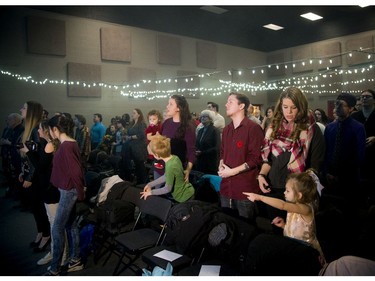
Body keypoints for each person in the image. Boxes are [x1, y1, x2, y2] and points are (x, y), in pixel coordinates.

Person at [257, 87, 325, 232]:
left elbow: (315, 166)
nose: (289, 112)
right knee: (276, 230)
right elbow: (268, 159)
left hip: (296, 193)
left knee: (294, 234)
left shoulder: (312, 129)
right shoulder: (273, 126)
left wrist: (301, 191)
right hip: (273, 187)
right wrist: (262, 175)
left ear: (301, 107)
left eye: (294, 108)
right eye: (285, 107)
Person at [244, 170, 325, 264]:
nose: (284, 193)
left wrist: (260, 198)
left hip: (307, 250)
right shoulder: (294, 205)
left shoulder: (306, 209)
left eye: (287, 191)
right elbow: (297, 228)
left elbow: (282, 205)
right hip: (293, 247)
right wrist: (284, 226)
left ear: (299, 195)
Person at [44, 115, 85, 276]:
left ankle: (55, 269)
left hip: (69, 191)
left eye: (50, 130)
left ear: (55, 129)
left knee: (57, 228)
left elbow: (76, 172)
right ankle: (75, 259)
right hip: (68, 190)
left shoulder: (67, 146)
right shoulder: (70, 143)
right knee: (71, 225)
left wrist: (80, 193)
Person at [218, 92, 264, 220]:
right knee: (227, 225)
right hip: (226, 187)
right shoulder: (227, 129)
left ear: (241, 106)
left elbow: (256, 159)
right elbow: (222, 152)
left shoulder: (253, 128)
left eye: (230, 102)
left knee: (246, 228)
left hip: (244, 189)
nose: (226, 104)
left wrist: (232, 172)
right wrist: (221, 165)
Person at [322, 93, 366, 206]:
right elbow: (325, 152)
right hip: (330, 177)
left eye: (341, 105)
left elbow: (360, 155)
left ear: (351, 108)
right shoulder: (329, 127)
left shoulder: (358, 128)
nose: (337, 107)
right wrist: (327, 172)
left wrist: (341, 175)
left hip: (349, 178)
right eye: (336, 104)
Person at [19, 101, 51, 251]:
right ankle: (40, 232)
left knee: (39, 208)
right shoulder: (29, 129)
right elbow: (27, 156)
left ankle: (46, 234)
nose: (21, 109)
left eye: (24, 108)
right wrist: (23, 172)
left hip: (37, 177)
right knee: (35, 207)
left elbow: (37, 158)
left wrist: (29, 177)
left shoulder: (35, 130)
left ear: (31, 111)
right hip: (31, 174)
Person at [35, 120, 64, 266]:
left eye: (40, 129)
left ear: (46, 130)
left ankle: (59, 255)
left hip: (51, 189)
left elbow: (40, 168)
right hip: (50, 188)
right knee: (53, 222)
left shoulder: (50, 145)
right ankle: (55, 252)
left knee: (55, 224)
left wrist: (28, 153)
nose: (38, 131)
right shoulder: (50, 144)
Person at [140, 135, 195, 202]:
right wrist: (150, 184)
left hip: (183, 197)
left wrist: (151, 192)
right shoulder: (175, 158)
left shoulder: (170, 166)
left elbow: (167, 189)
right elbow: (166, 176)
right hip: (188, 191)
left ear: (157, 155)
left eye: (152, 155)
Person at [160, 95, 196, 183]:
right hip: (161, 166)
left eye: (171, 104)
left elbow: (191, 152)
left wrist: (188, 170)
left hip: (176, 168)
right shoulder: (166, 123)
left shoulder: (187, 127)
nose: (167, 106)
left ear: (178, 108)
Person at [351, 89, 375, 204]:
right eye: (362, 97)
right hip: (359, 155)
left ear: (374, 100)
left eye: (367, 96)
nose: (364, 98)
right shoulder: (355, 116)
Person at [121, 108, 148, 184]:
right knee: (136, 166)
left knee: (140, 166)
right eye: (132, 113)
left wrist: (131, 137)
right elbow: (128, 133)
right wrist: (125, 135)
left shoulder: (142, 124)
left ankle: (143, 182)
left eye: (134, 113)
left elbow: (142, 135)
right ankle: (138, 181)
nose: (132, 114)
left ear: (139, 115)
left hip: (139, 148)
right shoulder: (131, 124)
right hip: (132, 147)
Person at [194, 109, 221, 175]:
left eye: (205, 116)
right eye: (202, 116)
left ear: (210, 118)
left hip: (210, 162)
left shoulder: (215, 130)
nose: (202, 118)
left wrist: (203, 152)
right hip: (200, 160)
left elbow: (217, 147)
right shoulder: (200, 130)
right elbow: (197, 144)